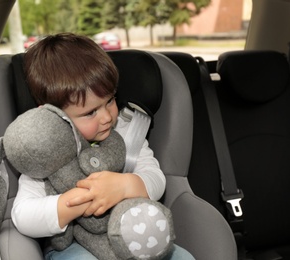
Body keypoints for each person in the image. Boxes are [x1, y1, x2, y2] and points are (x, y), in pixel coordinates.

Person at [11, 32, 195, 260]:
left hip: (134, 236)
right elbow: (23, 215)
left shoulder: (127, 133)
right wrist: (80, 200)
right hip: (72, 247)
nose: (107, 116)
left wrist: (125, 186)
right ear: (53, 115)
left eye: (110, 100)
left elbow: (156, 179)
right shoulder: (45, 151)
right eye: (90, 113)